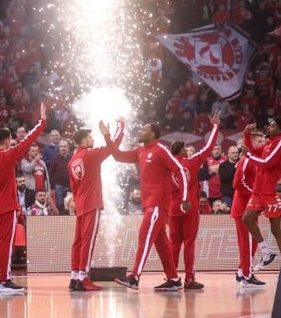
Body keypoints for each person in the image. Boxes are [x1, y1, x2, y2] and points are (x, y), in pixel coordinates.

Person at [110, 123, 189, 291]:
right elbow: (116, 155)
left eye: (145, 129)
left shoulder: (161, 150)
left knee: (144, 235)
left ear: (153, 134)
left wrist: (184, 197)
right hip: (150, 204)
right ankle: (174, 279)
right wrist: (119, 130)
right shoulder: (140, 150)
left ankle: (134, 277)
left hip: (158, 204)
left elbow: (180, 170)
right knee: (162, 244)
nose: (141, 131)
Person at [0, 103, 47, 293]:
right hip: (6, 207)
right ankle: (4, 280)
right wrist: (42, 122)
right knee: (5, 243)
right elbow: (27, 141)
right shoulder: (7, 155)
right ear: (8, 140)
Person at [68, 121, 124, 291]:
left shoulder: (72, 160)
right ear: (83, 141)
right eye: (90, 137)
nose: (92, 139)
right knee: (87, 242)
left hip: (80, 204)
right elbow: (112, 148)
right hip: (91, 203)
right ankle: (83, 278)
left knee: (78, 242)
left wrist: (77, 202)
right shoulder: (90, 154)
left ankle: (74, 277)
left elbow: (74, 187)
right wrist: (119, 127)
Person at [169, 111, 220, 290]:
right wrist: (215, 126)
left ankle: (172, 278)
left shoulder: (167, 166)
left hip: (172, 208)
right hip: (189, 206)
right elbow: (208, 147)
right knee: (189, 242)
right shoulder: (191, 162)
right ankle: (189, 279)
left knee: (173, 243)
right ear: (182, 150)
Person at [242, 117, 281, 271]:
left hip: (272, 191)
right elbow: (256, 151)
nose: (268, 128)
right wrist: (247, 136)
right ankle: (267, 252)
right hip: (259, 189)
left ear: (280, 130)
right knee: (247, 219)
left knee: (275, 229)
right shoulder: (269, 143)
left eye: (272, 126)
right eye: (269, 125)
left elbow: (266, 163)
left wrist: (248, 155)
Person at [231, 133, 266, 287]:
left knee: (252, 243)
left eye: (264, 141)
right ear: (251, 143)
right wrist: (254, 194)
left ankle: (242, 272)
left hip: (252, 207)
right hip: (243, 208)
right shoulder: (246, 160)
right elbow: (237, 183)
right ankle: (247, 275)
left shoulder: (258, 161)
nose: (263, 143)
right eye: (259, 141)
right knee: (247, 243)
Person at [49, 139, 71, 215]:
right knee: (60, 206)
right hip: (59, 186)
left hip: (70, 187)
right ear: (59, 148)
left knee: (70, 206)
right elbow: (50, 173)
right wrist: (52, 187)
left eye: (65, 146)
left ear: (68, 148)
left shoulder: (71, 158)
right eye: (61, 147)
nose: (63, 148)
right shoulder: (55, 159)